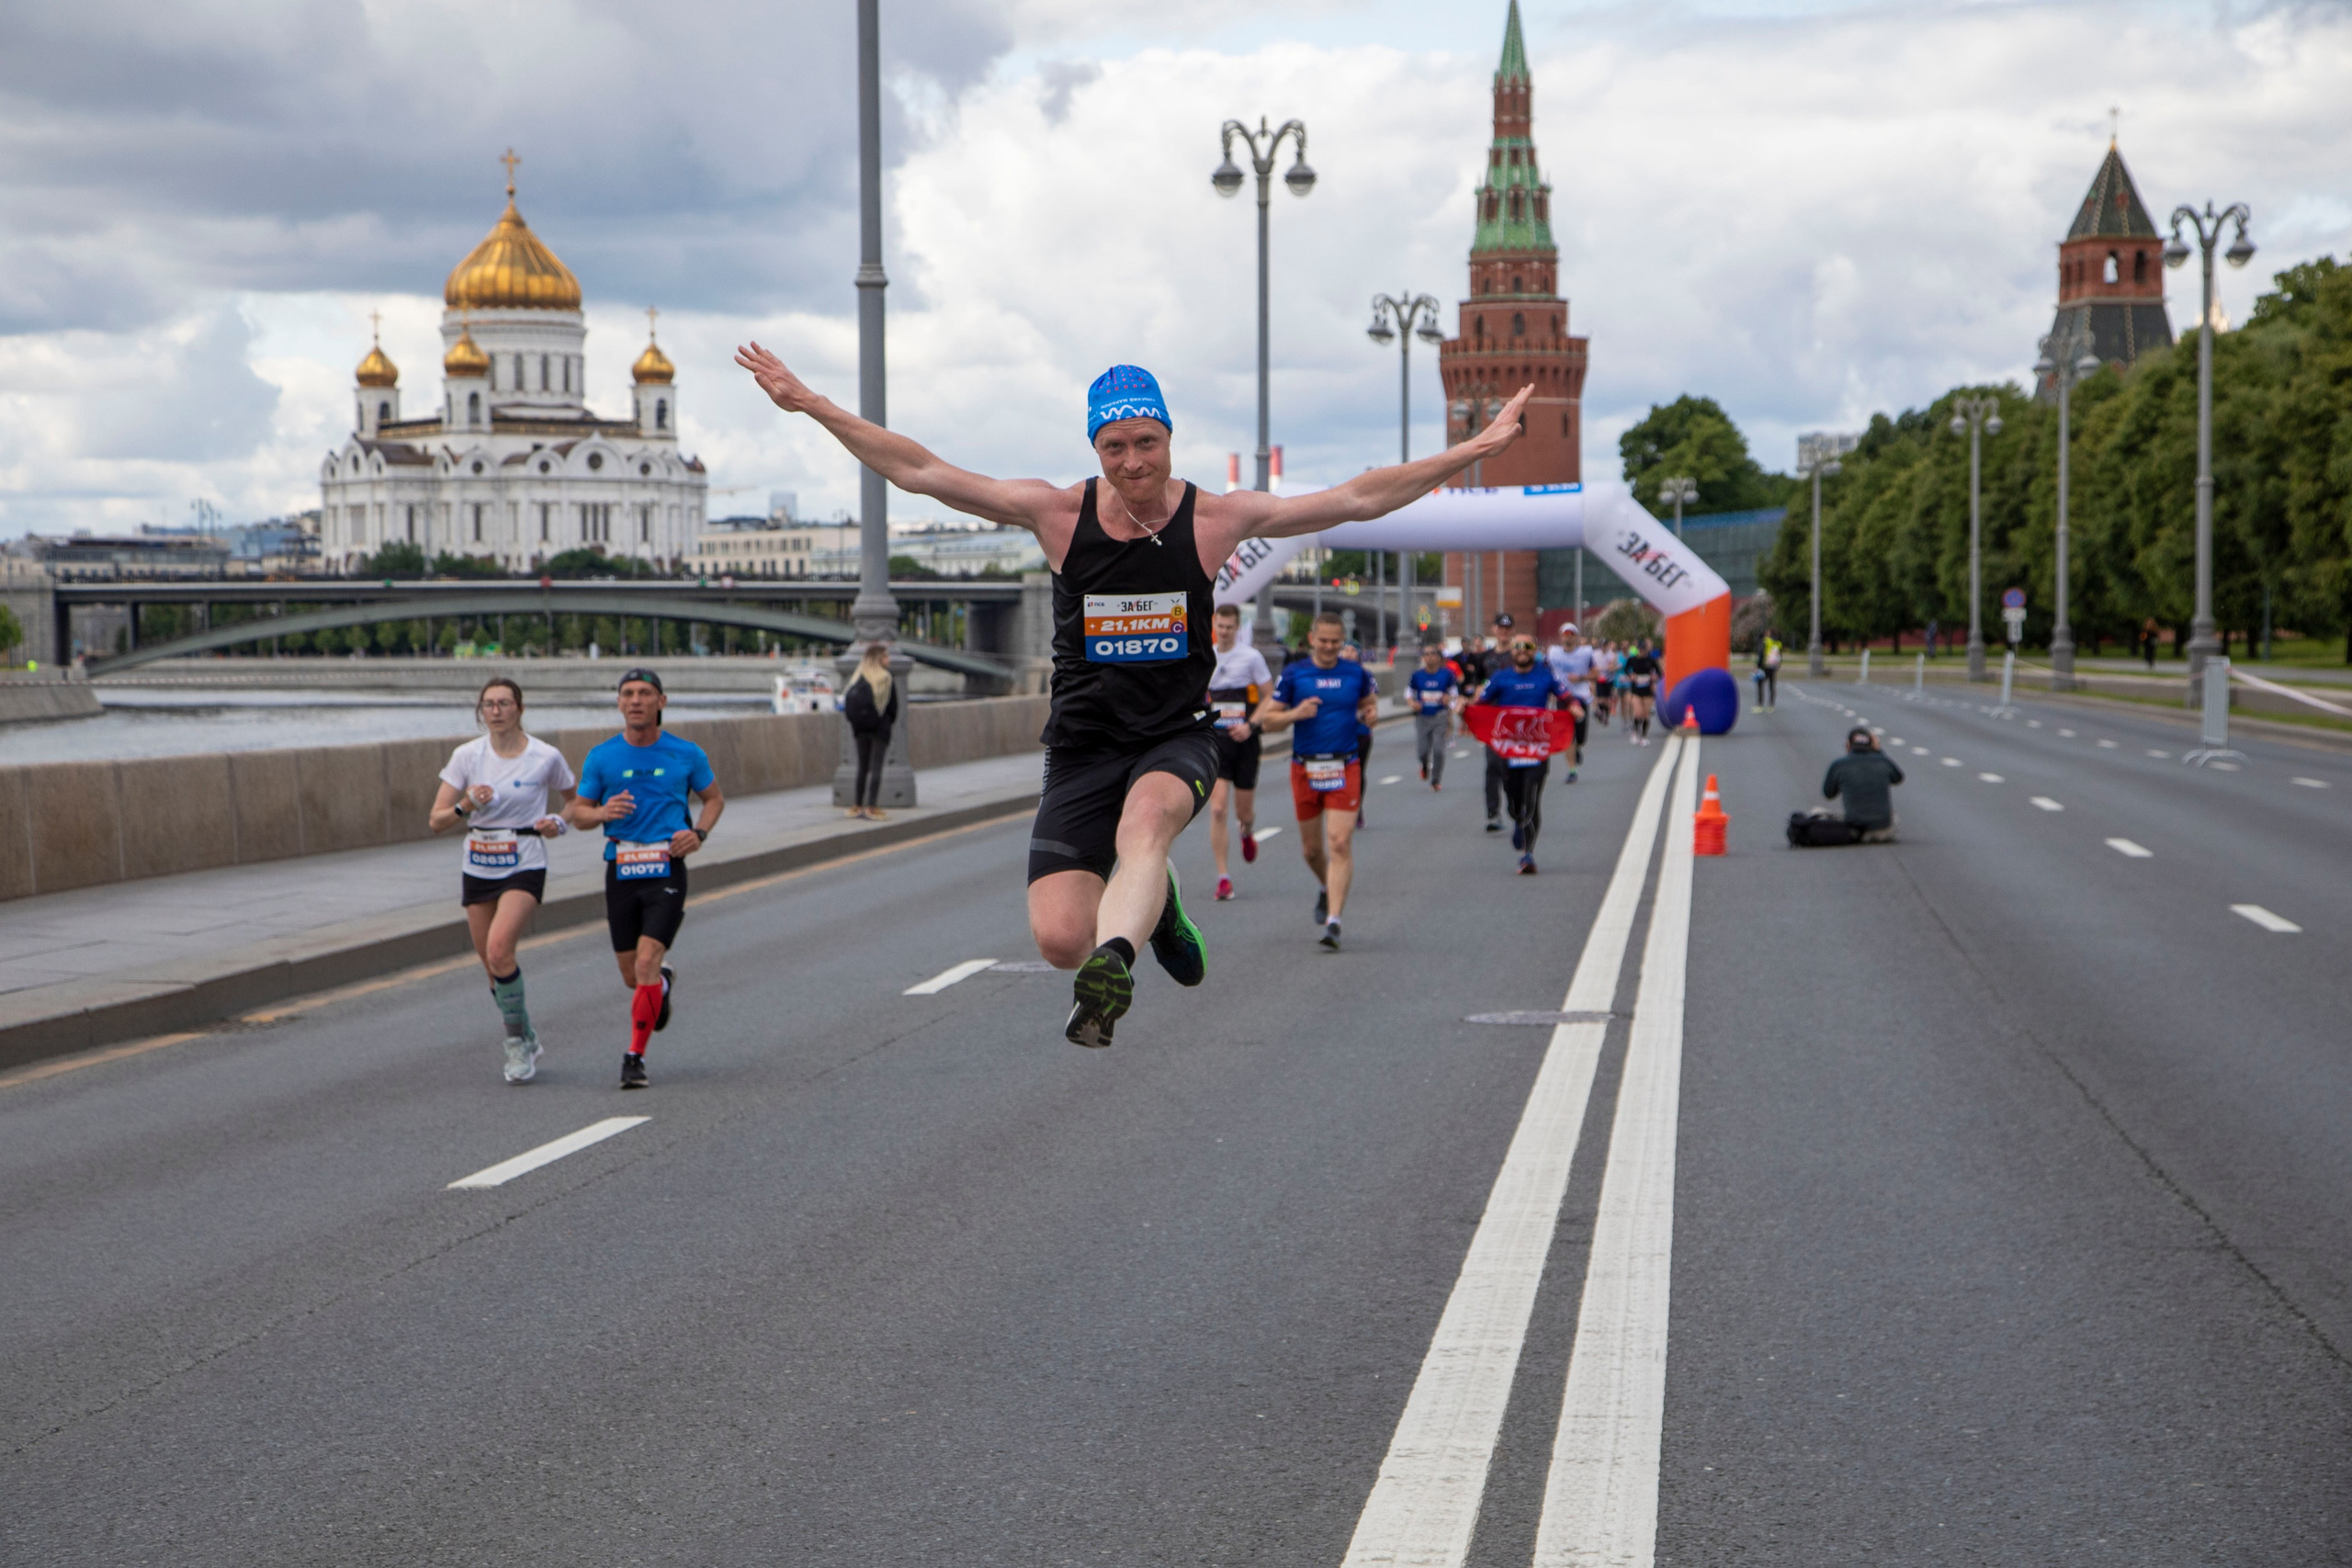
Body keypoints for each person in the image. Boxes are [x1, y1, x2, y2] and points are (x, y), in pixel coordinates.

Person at [735, 344, 1531, 1046]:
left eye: (1147, 442)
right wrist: (812, 403)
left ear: (1169, 438)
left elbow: (1356, 499)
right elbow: (922, 472)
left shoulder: (1214, 520)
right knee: (1059, 938)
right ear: (1096, 447)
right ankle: (1159, 911)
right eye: (1114, 446)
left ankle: (1113, 970)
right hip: (1082, 746)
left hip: (1175, 737)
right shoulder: (1057, 515)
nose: (1134, 462)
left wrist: (1477, 447)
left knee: (1144, 827)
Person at [568, 669, 727, 1089]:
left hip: (666, 866)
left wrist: (699, 834)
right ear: (619, 702)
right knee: (632, 975)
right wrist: (602, 813)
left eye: (644, 693)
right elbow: (578, 814)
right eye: (628, 694)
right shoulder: (602, 756)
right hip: (621, 868)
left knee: (645, 961)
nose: (635, 700)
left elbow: (714, 799)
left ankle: (634, 1057)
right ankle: (662, 982)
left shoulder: (686, 753)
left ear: (661, 701)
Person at [429, 678, 577, 1083]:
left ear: (520, 709)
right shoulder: (466, 756)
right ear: (481, 712)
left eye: (504, 703)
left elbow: (577, 800)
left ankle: (514, 1046)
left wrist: (559, 822)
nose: (496, 711)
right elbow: (437, 820)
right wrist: (466, 804)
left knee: (499, 950)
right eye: (489, 704)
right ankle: (526, 1033)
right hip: (479, 863)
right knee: (492, 967)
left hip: (524, 860)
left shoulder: (544, 756)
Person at [1256, 611, 1382, 948]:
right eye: (1323, 641)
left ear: (1343, 642)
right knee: (1312, 850)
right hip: (1305, 768)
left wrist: (1370, 715)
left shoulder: (1356, 673)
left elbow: (1370, 706)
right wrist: (1296, 713)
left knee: (1339, 843)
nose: (1329, 647)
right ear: (1312, 639)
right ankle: (1326, 886)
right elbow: (1268, 722)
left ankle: (1334, 921)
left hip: (1344, 766)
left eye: (1335, 642)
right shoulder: (1295, 674)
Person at [1476, 635, 1577, 874]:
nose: (1522, 650)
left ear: (1535, 650)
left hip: (1536, 749)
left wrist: (1574, 707)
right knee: (1513, 802)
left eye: (1528, 646)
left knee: (1532, 799)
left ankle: (1528, 855)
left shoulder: (1545, 676)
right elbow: (1481, 703)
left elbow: (1566, 697)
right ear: (1511, 651)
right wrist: (1464, 710)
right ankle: (1518, 818)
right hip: (1509, 750)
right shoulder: (1501, 677)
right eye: (1518, 647)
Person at [1204, 603, 1272, 900]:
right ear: (1214, 625)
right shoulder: (1206, 656)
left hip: (1245, 741)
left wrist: (1251, 725)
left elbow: (1268, 695)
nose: (1224, 632)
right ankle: (1224, 877)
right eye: (1220, 626)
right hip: (1216, 741)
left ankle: (1246, 832)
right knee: (1218, 808)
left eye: (1229, 628)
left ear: (1237, 628)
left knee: (1243, 812)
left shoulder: (1251, 657)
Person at [1790, 726, 1903, 846]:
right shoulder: (1883, 761)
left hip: (1856, 830)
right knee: (1893, 816)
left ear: (1848, 745)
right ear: (1872, 745)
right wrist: (1879, 751)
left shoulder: (1838, 765)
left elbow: (1828, 794)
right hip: (1885, 831)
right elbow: (1898, 778)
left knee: (1816, 811)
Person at [842, 641, 899, 819]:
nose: (889, 659)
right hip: (879, 729)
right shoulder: (885, 678)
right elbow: (893, 708)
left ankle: (857, 806)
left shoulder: (858, 677)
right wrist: (885, 722)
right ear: (878, 659)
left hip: (860, 729)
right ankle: (872, 808)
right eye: (886, 656)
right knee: (876, 768)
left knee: (862, 767)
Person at [1406, 638, 1458, 789]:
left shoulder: (1447, 674)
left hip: (1440, 716)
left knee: (1439, 750)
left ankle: (1436, 780)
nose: (1429, 657)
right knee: (1422, 751)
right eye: (1426, 654)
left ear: (1438, 657)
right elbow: (1409, 693)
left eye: (1432, 654)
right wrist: (1412, 703)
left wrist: (1449, 699)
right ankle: (1424, 765)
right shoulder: (1417, 675)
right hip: (1423, 717)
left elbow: (1454, 694)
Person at [1548, 623, 1596, 783]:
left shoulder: (1585, 653)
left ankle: (1577, 748)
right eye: (1565, 635)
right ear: (1561, 637)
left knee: (1580, 737)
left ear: (1576, 637)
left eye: (1571, 635)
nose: (1568, 638)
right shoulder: (1553, 653)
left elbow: (1596, 674)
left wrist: (1581, 678)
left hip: (1581, 697)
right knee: (1568, 736)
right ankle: (1572, 770)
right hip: (1563, 698)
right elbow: (1545, 672)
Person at [1340, 640, 1374, 829]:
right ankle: (1341, 808)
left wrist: (1367, 715)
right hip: (1337, 733)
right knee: (1339, 772)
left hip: (1360, 732)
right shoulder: (1331, 674)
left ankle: (1357, 809)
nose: (1348, 653)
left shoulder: (1365, 675)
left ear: (1359, 654)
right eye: (1345, 650)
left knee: (1357, 772)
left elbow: (1371, 704)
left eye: (1352, 650)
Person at [1620, 638, 1660, 743]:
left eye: (1643, 649)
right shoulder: (1632, 660)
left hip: (1647, 689)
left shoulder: (1650, 660)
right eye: (1640, 649)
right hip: (1636, 689)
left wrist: (1654, 677)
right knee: (1638, 714)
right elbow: (1626, 669)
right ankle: (1635, 732)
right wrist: (1631, 675)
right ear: (1638, 650)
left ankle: (1643, 736)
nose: (1642, 651)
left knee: (1646, 715)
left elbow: (1659, 673)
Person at [1756, 634, 1781, 710]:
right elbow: (1779, 656)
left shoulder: (1765, 642)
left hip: (1764, 666)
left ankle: (1760, 703)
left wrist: (1758, 665)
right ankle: (1771, 704)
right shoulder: (1777, 643)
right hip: (1772, 667)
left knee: (1760, 684)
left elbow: (1761, 655)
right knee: (1771, 685)